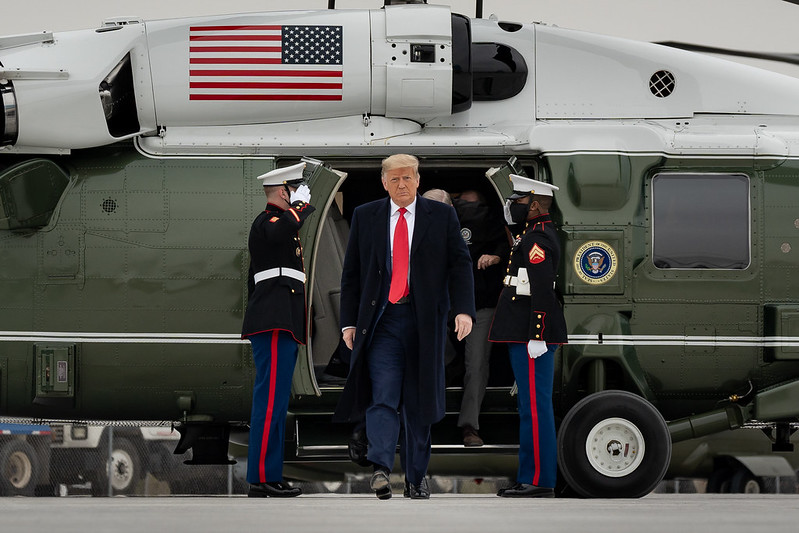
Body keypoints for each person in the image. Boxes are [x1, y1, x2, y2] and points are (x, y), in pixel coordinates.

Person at [334, 154, 475, 500]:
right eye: (395, 179)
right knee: (382, 395)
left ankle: (416, 477)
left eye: (408, 178)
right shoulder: (366, 215)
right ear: (384, 183)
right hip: (382, 322)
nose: (402, 185)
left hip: (423, 322)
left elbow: (460, 265)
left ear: (418, 180)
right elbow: (352, 274)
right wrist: (348, 322)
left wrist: (464, 311)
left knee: (418, 402)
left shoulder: (441, 215)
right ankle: (381, 469)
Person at [489, 174, 567, 498]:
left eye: (518, 201)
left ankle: (539, 480)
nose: (513, 205)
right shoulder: (532, 233)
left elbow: (542, 290)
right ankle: (530, 476)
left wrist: (538, 334)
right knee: (529, 407)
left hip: (531, 335)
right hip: (522, 331)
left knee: (536, 408)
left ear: (534, 205)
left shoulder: (538, 238)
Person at [241, 162, 314, 498]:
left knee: (276, 401)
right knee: (269, 401)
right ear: (284, 191)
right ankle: (261, 477)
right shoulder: (268, 222)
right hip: (273, 322)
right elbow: (279, 231)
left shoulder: (281, 225)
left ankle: (268, 474)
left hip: (281, 322)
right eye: (295, 190)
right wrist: (299, 207)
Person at [451, 190, 510, 447]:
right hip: (445, 308)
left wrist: (499, 256)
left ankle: (469, 425)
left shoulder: (496, 229)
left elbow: (512, 248)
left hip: (480, 307)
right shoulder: (438, 223)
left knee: (476, 365)